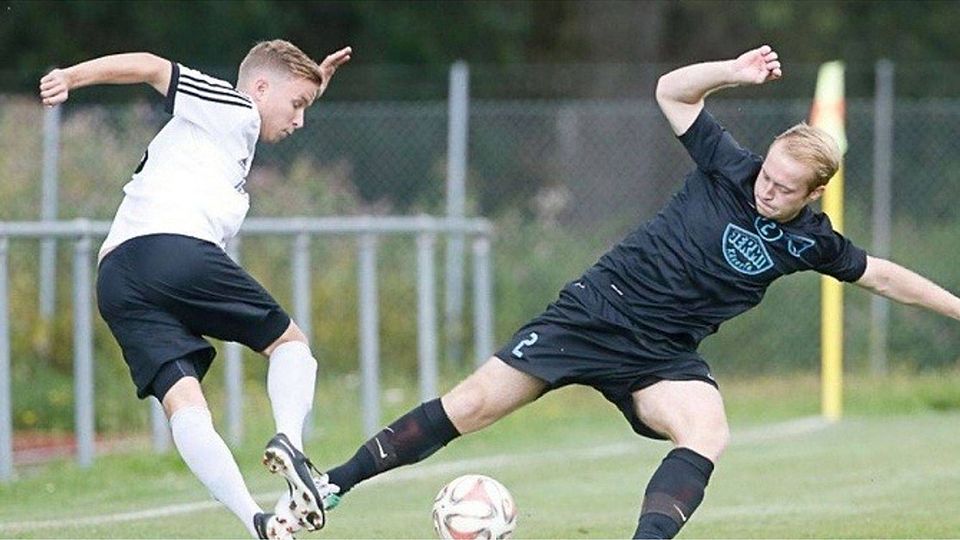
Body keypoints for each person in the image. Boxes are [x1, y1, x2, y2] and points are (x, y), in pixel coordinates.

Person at [301, 45, 960, 538]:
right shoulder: (729, 165)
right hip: (594, 311)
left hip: (662, 354)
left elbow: (882, 274)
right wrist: (733, 70)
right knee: (470, 405)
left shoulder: (812, 239)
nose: (768, 188)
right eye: (769, 174)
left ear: (812, 194)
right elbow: (673, 93)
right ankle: (330, 485)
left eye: (786, 188)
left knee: (707, 430)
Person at [39, 40, 352, 540]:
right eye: (297, 106)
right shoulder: (234, 105)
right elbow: (151, 66)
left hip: (118, 278)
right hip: (171, 248)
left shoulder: (230, 134)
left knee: (183, 404)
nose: (299, 121)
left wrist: (312, 84)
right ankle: (291, 445)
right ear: (260, 87)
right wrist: (71, 76)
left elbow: (281, 92)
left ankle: (257, 521)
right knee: (289, 344)